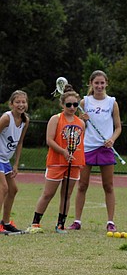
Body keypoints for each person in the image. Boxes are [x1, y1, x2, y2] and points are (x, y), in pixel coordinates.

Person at [27, 84, 86, 233]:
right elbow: (49, 140)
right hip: (57, 162)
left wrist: (74, 156)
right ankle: (35, 223)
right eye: (68, 104)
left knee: (67, 195)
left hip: (74, 163)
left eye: (75, 104)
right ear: (62, 104)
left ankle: (61, 224)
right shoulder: (56, 119)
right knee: (48, 193)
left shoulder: (81, 123)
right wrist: (63, 151)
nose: (72, 107)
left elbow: (79, 142)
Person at [70, 70, 122, 232]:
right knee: (82, 185)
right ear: (91, 84)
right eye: (96, 83)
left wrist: (112, 139)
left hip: (105, 148)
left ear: (106, 83)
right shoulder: (84, 102)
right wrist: (82, 120)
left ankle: (110, 222)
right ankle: (77, 220)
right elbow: (79, 127)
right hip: (87, 148)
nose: (99, 86)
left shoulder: (112, 102)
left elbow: (118, 127)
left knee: (108, 186)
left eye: (102, 83)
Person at [0, 90, 29, 233]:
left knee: (13, 189)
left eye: (23, 102)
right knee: (3, 187)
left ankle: (5, 223)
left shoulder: (25, 120)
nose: (21, 104)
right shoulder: (6, 118)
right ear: (11, 104)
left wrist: (16, 164)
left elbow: (20, 143)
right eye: (18, 102)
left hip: (5, 160)